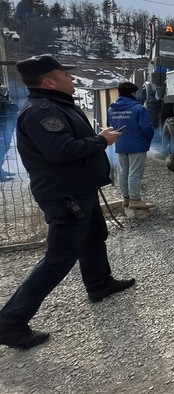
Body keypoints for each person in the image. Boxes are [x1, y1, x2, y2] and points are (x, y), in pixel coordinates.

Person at [0, 54, 135, 350]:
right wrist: (102, 141)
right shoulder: (41, 111)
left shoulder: (57, 106)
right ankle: (10, 322)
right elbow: (60, 150)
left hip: (79, 188)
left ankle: (99, 284)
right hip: (65, 194)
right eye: (65, 75)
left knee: (95, 235)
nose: (71, 79)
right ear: (49, 81)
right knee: (59, 257)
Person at [107, 82, 155, 212]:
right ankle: (135, 200)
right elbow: (146, 128)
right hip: (137, 145)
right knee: (134, 173)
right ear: (133, 94)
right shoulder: (138, 108)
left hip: (120, 144)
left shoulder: (111, 109)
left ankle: (126, 199)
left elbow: (109, 126)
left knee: (123, 172)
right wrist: (149, 137)